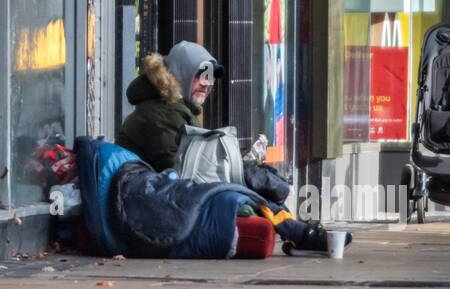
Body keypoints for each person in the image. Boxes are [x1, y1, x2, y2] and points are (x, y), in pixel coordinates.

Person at [117, 41, 346, 254]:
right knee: (246, 185)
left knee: (250, 179)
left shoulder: (174, 109)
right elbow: (181, 169)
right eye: (201, 75)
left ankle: (298, 232)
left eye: (211, 77)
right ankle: (299, 233)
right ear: (181, 75)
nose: (207, 84)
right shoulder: (158, 114)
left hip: (161, 191)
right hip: (151, 199)